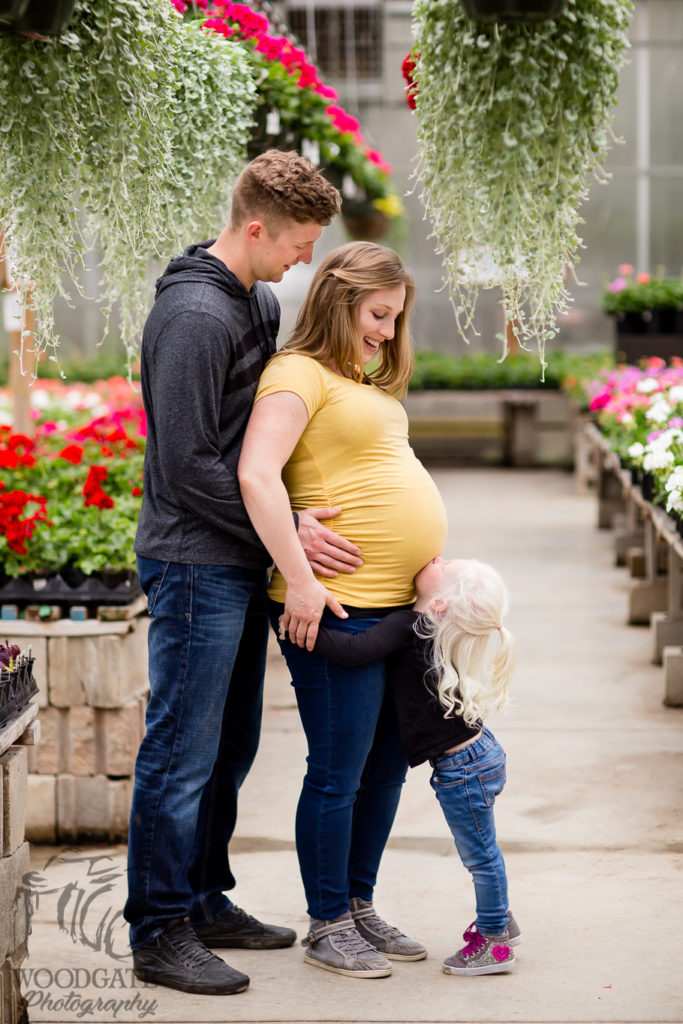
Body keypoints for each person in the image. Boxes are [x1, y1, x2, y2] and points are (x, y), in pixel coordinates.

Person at [125, 150, 360, 997]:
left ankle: (202, 895)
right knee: (180, 753)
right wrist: (283, 531)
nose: (305, 259)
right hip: (194, 559)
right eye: (298, 243)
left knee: (231, 745)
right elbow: (188, 464)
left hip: (235, 558)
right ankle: (158, 929)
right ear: (255, 227)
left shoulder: (255, 298)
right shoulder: (194, 313)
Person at [238, 241, 449, 978]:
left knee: (387, 767)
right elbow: (258, 474)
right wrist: (296, 577)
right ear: (337, 299)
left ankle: (357, 904)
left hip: (393, 609)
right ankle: (326, 920)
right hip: (334, 609)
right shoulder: (296, 373)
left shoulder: (359, 380)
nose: (388, 332)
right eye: (378, 315)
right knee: (338, 769)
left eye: (396, 319)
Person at [287, 555, 520, 976]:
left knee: (481, 857)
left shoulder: (407, 625)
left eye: (446, 566)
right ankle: (501, 920)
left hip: (463, 768)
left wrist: (302, 631)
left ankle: (494, 940)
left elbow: (354, 650)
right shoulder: (432, 629)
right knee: (485, 852)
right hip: (478, 756)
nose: (438, 557)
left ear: (440, 605)